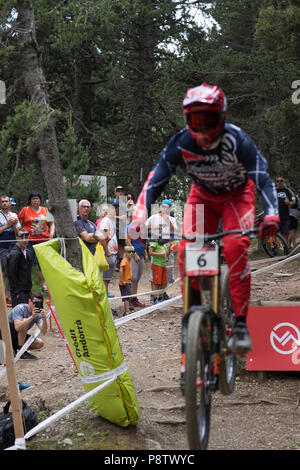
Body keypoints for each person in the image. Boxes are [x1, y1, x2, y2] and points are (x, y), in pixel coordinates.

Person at [131, 82, 279, 352]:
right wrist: (140, 212)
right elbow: (155, 180)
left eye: (208, 118)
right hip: (203, 198)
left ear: (221, 117)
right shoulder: (182, 142)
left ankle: (241, 323)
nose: (202, 126)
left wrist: (271, 214)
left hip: (237, 197)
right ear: (187, 120)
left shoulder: (237, 140)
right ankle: (194, 314)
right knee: (187, 251)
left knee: (235, 247)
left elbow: (263, 180)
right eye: (195, 119)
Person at [18, 191, 55, 291]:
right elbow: (19, 225)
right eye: (33, 198)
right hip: (29, 241)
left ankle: (45, 285)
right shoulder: (25, 210)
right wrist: (21, 237)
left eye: (37, 198)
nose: (35, 200)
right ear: (30, 200)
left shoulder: (45, 210)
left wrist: (51, 234)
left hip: (44, 241)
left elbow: (52, 223)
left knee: (44, 264)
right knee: (27, 262)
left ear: (40, 200)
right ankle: (26, 283)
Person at [7, 291, 48, 360]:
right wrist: (32, 317)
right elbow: (17, 327)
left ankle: (16, 349)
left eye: (39, 303)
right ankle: (21, 352)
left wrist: (44, 319)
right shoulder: (20, 308)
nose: (36, 305)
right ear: (29, 301)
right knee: (25, 323)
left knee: (39, 343)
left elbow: (44, 331)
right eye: (34, 303)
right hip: (7, 335)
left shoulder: (38, 314)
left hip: (19, 337)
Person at [0, 195, 21, 305]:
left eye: (6, 201)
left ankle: (7, 295)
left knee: (11, 270)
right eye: (2, 201)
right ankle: (2, 295)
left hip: (12, 245)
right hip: (1, 246)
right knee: (5, 270)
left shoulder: (14, 215)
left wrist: (13, 225)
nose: (4, 203)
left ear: (10, 203)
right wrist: (7, 224)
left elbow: (18, 233)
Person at [7, 228, 32, 307]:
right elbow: (11, 274)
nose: (24, 240)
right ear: (17, 238)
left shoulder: (27, 251)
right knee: (20, 317)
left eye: (26, 237)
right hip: (19, 292)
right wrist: (16, 292)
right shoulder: (14, 254)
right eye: (22, 238)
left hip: (27, 289)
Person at [126, 222, 148, 309]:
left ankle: (134, 299)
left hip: (141, 254)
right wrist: (134, 254)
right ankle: (129, 299)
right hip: (132, 255)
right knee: (132, 277)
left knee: (137, 278)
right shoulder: (129, 227)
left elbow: (143, 242)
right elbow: (127, 241)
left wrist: (145, 254)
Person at [99, 199, 119, 296]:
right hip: (107, 253)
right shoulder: (106, 220)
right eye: (113, 207)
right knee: (103, 281)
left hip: (113, 253)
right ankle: (104, 304)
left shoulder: (112, 220)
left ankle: (106, 303)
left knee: (107, 280)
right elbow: (102, 237)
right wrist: (107, 252)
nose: (114, 209)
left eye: (116, 207)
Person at [148, 238, 170, 304]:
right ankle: (155, 299)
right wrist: (160, 254)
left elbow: (167, 253)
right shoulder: (155, 242)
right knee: (156, 282)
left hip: (163, 265)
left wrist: (167, 255)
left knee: (163, 282)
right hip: (156, 265)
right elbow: (150, 252)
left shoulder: (164, 244)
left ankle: (160, 298)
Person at [275, 177, 293, 244]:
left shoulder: (287, 191)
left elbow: (292, 203)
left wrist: (289, 203)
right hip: (275, 216)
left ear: (283, 182)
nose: (279, 182)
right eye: (278, 181)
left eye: (281, 180)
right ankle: (274, 250)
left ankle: (285, 250)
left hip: (285, 216)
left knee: (285, 234)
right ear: (276, 182)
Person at [119, 246, 134, 316]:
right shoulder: (124, 261)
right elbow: (121, 270)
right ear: (125, 253)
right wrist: (122, 280)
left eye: (133, 252)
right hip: (124, 283)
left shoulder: (129, 261)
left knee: (127, 297)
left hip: (128, 282)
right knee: (126, 297)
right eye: (129, 252)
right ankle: (127, 311)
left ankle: (126, 310)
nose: (131, 253)